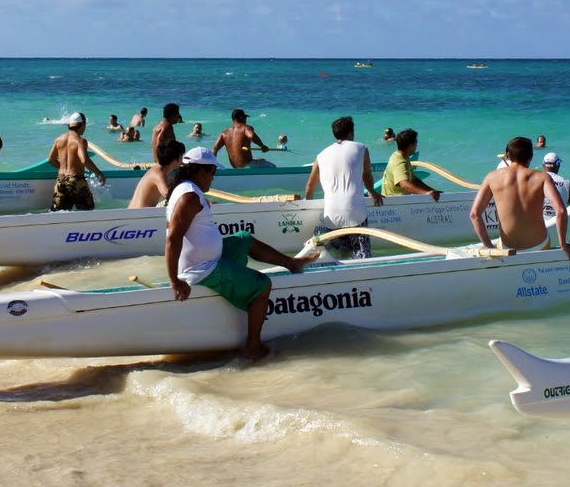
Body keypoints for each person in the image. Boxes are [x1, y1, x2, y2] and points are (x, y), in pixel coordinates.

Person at [165, 147, 318, 360]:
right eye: (212, 172)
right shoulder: (188, 197)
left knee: (244, 238)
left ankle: (291, 263)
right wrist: (174, 280)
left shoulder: (187, 189)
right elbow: (173, 238)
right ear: (200, 172)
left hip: (207, 259)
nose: (213, 178)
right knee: (263, 285)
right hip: (202, 269)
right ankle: (252, 346)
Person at [472, 137, 570, 256]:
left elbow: (474, 214)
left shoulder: (491, 177)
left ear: (508, 156)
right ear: (531, 157)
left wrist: (489, 247)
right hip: (539, 245)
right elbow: (561, 211)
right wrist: (563, 244)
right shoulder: (542, 177)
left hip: (507, 248)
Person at [304, 116, 383, 258]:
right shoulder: (362, 148)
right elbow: (367, 176)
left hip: (331, 217)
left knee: (341, 251)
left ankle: (322, 232)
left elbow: (310, 186)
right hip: (356, 215)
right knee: (363, 258)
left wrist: (306, 206)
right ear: (351, 133)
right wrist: (373, 192)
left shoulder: (321, 155)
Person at [48, 112, 107, 211]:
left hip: (60, 179)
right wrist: (99, 173)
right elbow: (84, 160)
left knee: (58, 214)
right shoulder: (80, 141)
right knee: (88, 211)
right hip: (76, 180)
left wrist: (64, 168)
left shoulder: (59, 139)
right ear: (83, 124)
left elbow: (51, 159)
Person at [381, 128, 441, 201]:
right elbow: (404, 184)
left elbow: (413, 180)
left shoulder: (398, 155)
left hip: (399, 200)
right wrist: (425, 193)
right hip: (393, 203)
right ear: (410, 146)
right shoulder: (400, 162)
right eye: (416, 142)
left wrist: (432, 190)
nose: (417, 145)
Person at [130, 140, 184, 209]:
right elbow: (167, 194)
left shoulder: (159, 172)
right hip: (138, 215)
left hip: (136, 213)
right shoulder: (158, 174)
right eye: (181, 158)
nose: (182, 162)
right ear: (175, 159)